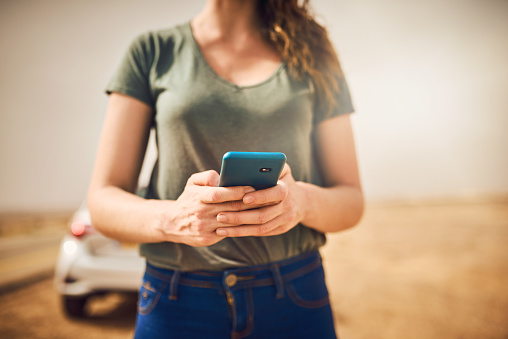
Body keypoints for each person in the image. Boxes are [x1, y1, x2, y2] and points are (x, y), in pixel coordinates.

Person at [87, 0, 364, 338]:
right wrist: (174, 219)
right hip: (176, 300)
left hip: (294, 297)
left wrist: (301, 202)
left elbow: (351, 200)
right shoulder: (151, 51)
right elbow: (102, 202)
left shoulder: (312, 49)